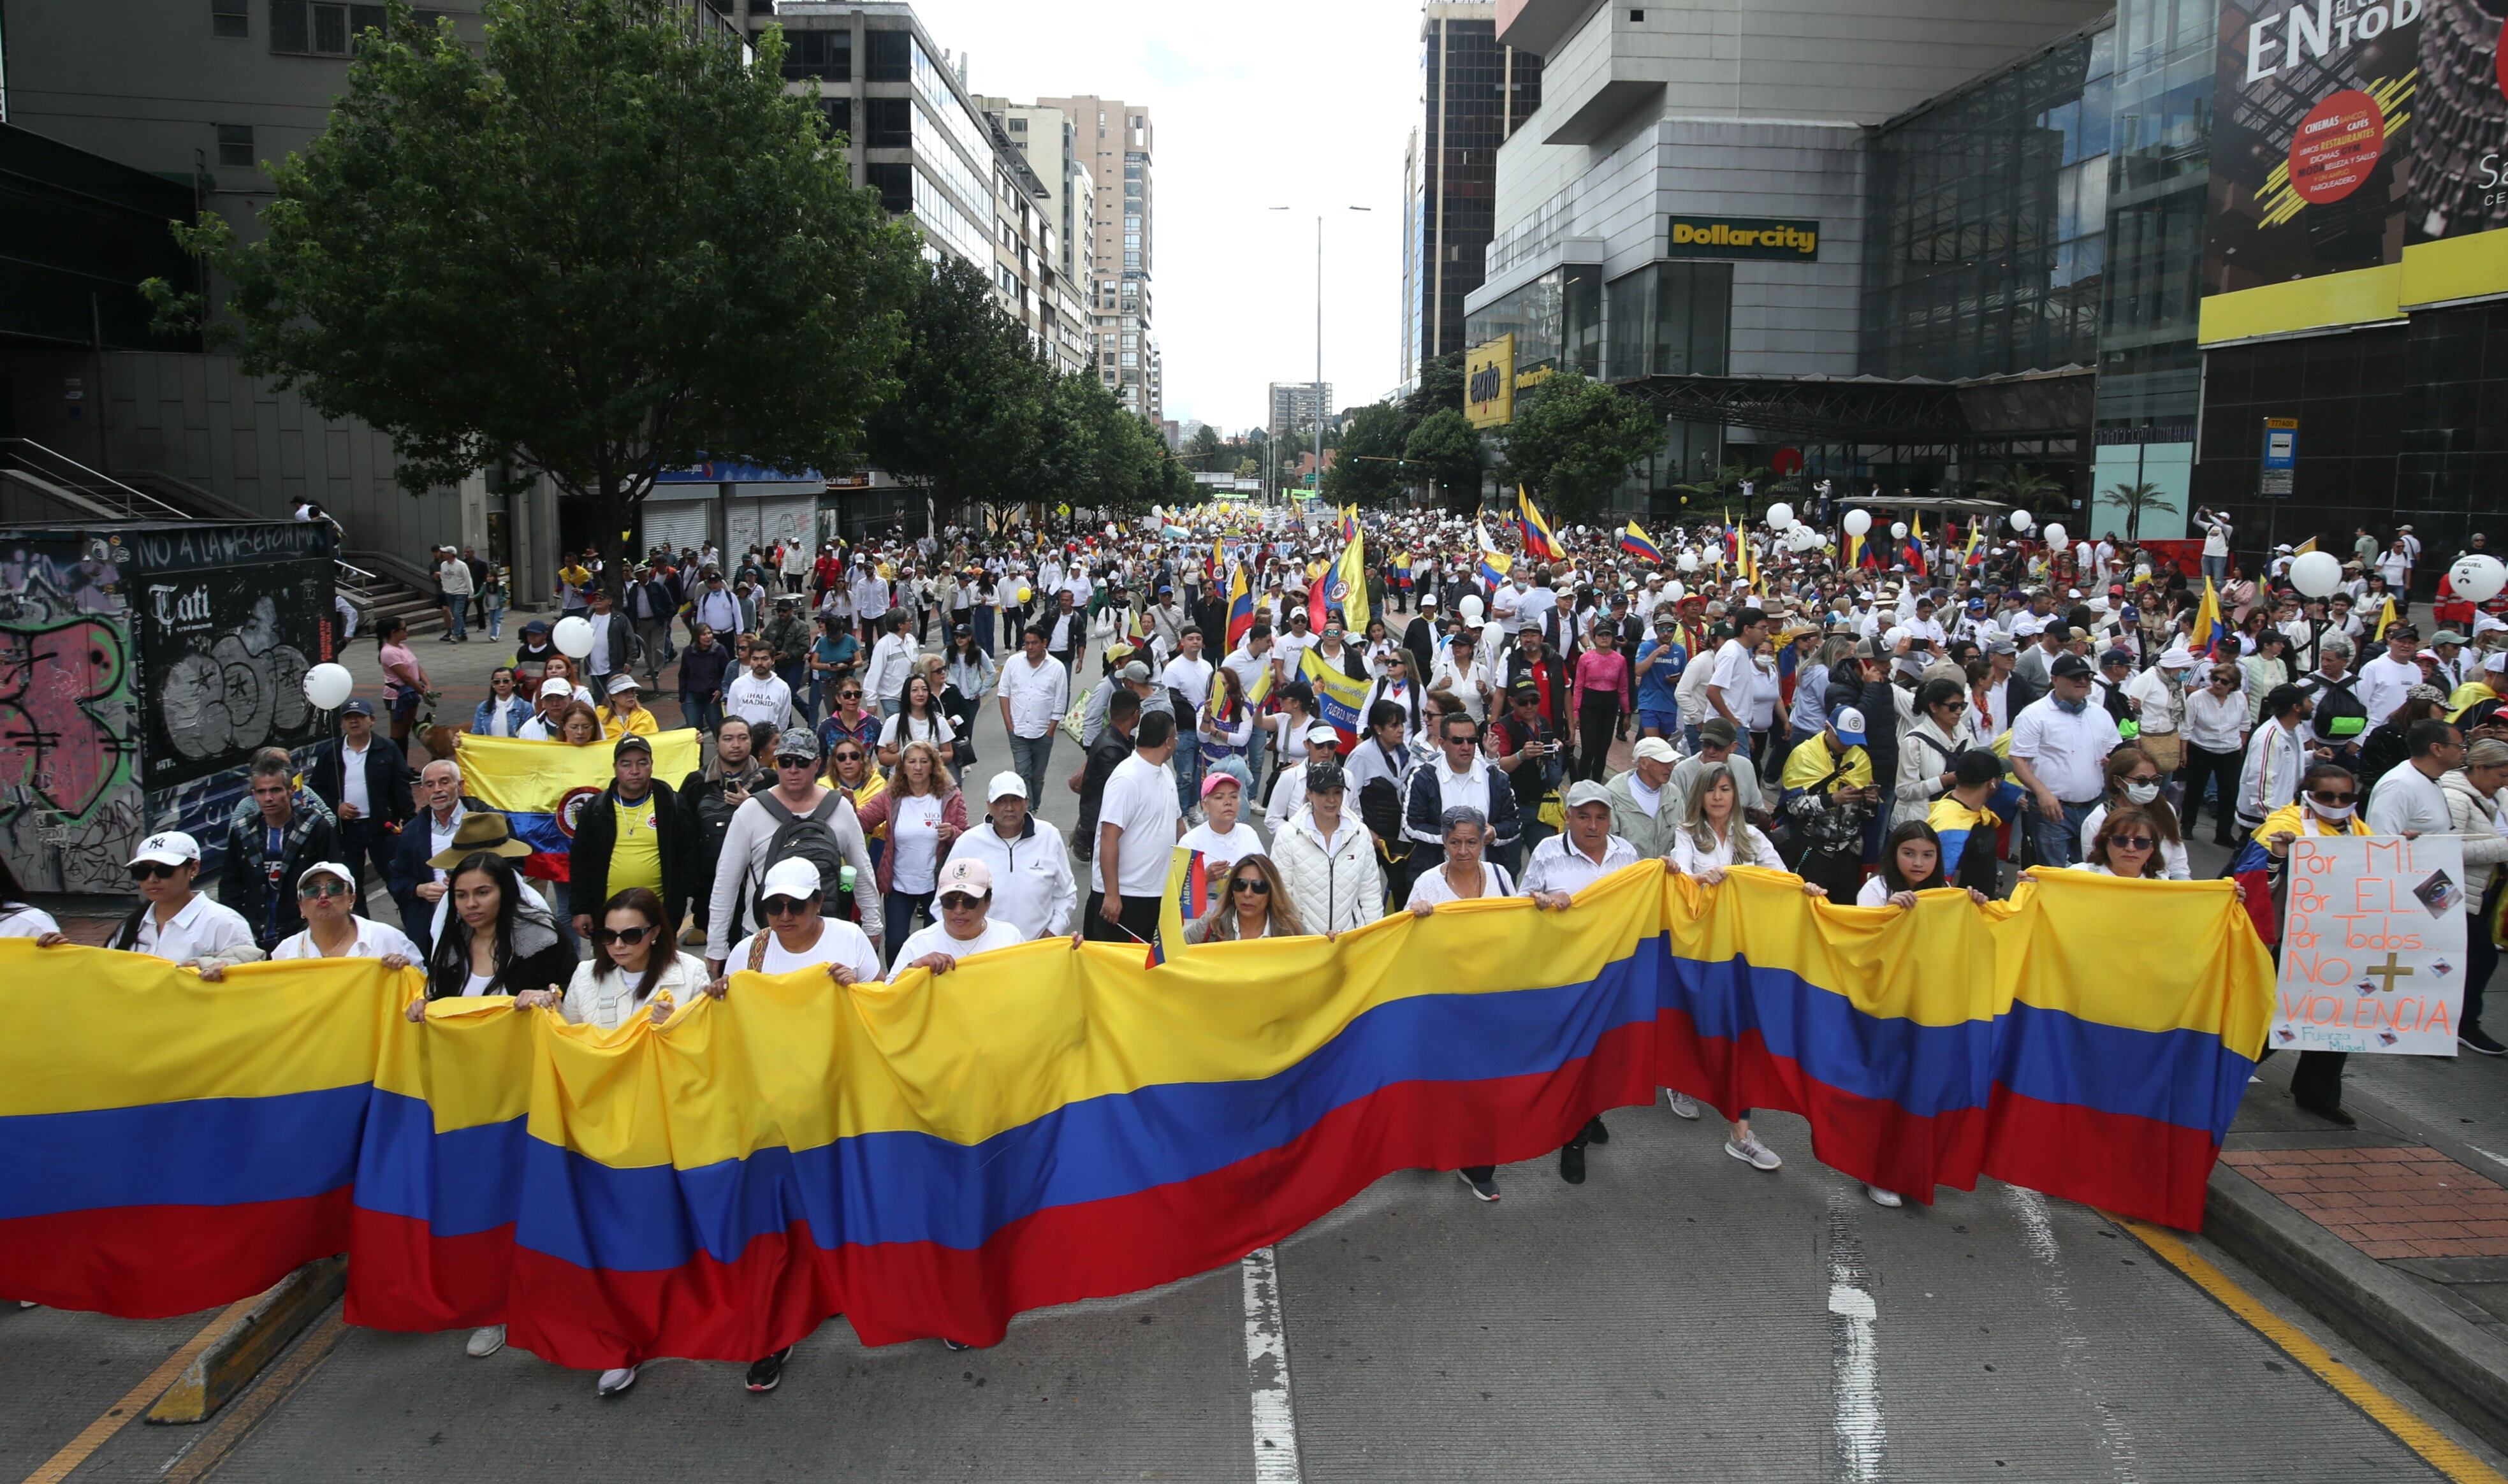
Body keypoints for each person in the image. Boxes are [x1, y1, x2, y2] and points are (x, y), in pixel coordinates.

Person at [696, 855, 884, 1395]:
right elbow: (728, 1022)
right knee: (778, 1223)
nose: (783, 916)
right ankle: (779, 1329)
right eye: (773, 906)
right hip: (769, 1113)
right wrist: (716, 1000)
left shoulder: (850, 941)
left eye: (795, 906)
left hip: (835, 1105)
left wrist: (859, 990)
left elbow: (884, 1008)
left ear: (819, 902)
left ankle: (835, 1292)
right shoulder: (748, 951)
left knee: (831, 1206)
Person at [1667, 762, 1816, 1173]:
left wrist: (1807, 890)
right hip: (1701, 947)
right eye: (1712, 789)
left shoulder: (1752, 836)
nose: (1718, 796)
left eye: (1726, 789)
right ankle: (1682, 1080)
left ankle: (1741, 1134)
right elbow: (1679, 875)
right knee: (1697, 1017)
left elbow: (1782, 879)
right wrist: (1700, 878)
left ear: (1735, 795)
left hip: (1745, 951)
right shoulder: (1685, 834)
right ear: (1699, 795)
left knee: (1740, 1032)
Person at [1518, 780, 1648, 1186]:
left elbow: (1646, 901)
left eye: (1601, 816)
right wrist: (1542, 903)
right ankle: (1573, 1138)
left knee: (1604, 1050)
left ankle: (1591, 1112)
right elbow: (1523, 903)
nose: (1593, 825)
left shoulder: (1627, 854)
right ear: (1567, 818)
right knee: (1574, 1052)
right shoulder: (1546, 852)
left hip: (1613, 972)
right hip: (1567, 974)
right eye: (1584, 816)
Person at [2251, 761, 2378, 1117]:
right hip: (2293, 941)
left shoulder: (2360, 829)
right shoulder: (2281, 827)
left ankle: (2318, 1093)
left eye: (2346, 797)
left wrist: (2405, 852)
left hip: (2343, 943)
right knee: (2273, 1015)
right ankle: (2223, 1071)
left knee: (2338, 1017)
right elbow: (2254, 882)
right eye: (2328, 796)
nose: (2338, 804)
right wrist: (2279, 855)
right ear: (2307, 794)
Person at [702, 729, 883, 971]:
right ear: (776, 764)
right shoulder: (750, 811)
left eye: (802, 762)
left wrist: (872, 927)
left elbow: (862, 871)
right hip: (763, 935)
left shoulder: (840, 808)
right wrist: (716, 946)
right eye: (786, 762)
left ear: (817, 764)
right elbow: (726, 881)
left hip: (828, 935)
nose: (793, 769)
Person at [853, 740, 968, 963]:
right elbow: (862, 823)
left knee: (935, 942)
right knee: (896, 942)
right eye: (912, 761)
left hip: (937, 885)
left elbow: (968, 837)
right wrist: (847, 806)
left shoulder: (950, 796)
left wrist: (953, 832)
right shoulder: (890, 797)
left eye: (924, 762)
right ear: (902, 766)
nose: (917, 767)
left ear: (933, 766)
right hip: (899, 884)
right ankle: (900, 983)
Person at [2008, 653, 2122, 869]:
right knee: (2054, 871)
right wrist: (2043, 794)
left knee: (2092, 867)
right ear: (2055, 680)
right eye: (2074, 677)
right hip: (2052, 810)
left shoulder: (2100, 714)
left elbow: (2113, 753)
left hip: (2094, 806)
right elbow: (2018, 760)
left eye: (2086, 677)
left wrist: (2113, 762)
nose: (2082, 681)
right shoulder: (2034, 714)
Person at [567, 733, 685, 940]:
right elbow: (580, 861)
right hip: (607, 919)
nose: (635, 771)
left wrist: (676, 909)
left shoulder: (673, 804)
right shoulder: (595, 809)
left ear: (652, 764)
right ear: (615, 767)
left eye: (642, 763)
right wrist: (580, 908)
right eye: (626, 764)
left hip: (658, 919)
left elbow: (687, 859)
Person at [226, 750, 343, 954]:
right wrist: (238, 929)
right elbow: (230, 887)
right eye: (261, 792)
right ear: (254, 795)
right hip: (253, 937)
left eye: (276, 790)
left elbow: (336, 880)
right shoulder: (242, 832)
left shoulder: (316, 828)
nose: (269, 798)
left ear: (291, 791)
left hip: (303, 935)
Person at [940, 771, 1077, 941]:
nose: (1009, 808)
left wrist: (1053, 931)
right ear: (989, 805)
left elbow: (1067, 893)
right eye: (1001, 801)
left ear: (1027, 802)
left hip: (1038, 947)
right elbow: (943, 901)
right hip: (984, 951)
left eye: (1016, 800)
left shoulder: (1049, 835)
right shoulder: (968, 842)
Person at [1088, 709, 1184, 945]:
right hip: (1125, 897)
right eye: (1176, 737)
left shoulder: (1165, 773)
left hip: (1157, 893)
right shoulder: (1126, 779)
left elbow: (1178, 825)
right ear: (1169, 742)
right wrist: (1112, 894)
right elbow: (1109, 838)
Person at [2441, 738, 2508, 1058]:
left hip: (2483, 890)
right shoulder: (2455, 797)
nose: (2505, 782)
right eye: (2502, 775)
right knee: (2482, 956)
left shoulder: (2497, 796)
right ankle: (2463, 1024)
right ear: (2480, 767)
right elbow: (2447, 849)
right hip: (2453, 891)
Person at [307, 697, 411, 903]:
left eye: (359, 717)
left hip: (382, 828)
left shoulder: (387, 749)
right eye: (348, 718)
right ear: (342, 723)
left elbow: (402, 786)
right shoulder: (331, 753)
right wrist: (337, 806)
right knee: (350, 885)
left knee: (397, 879)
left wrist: (409, 820)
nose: (353, 722)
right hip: (347, 831)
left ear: (372, 720)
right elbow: (317, 789)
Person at [108, 831, 260, 966]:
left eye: (164, 870)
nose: (152, 879)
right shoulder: (130, 927)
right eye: (142, 871)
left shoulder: (226, 923)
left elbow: (246, 977)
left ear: (193, 869)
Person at [1403, 708, 1523, 874]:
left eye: (1472, 740)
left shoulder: (1496, 779)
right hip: (1437, 877)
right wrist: (1453, 837)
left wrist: (1494, 833)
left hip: (1485, 878)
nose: (1466, 747)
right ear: (1443, 744)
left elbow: (1514, 824)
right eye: (1458, 741)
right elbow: (1411, 825)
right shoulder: (1423, 778)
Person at [1272, 759, 1382, 937]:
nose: (1331, 800)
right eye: (1323, 793)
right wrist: (1295, 936)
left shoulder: (1360, 834)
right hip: (1304, 944)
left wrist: (1375, 939)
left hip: (1350, 942)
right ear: (1309, 793)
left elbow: (1370, 895)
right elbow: (1280, 896)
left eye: (1337, 792)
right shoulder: (1287, 834)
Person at [678, 715, 764, 942]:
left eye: (742, 738)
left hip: (759, 886)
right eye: (728, 739)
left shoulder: (771, 782)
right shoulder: (696, 783)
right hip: (712, 888)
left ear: (751, 741)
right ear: (716, 743)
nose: (735, 745)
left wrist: (753, 806)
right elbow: (684, 838)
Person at [1778, 706, 1878, 901]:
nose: (1847, 747)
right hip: (1812, 848)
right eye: (1843, 740)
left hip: (1848, 852)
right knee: (1808, 906)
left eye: (1853, 742)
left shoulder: (1861, 758)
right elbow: (1792, 806)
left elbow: (1868, 816)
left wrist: (1870, 803)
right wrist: (1832, 800)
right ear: (1827, 728)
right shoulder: (1804, 755)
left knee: (1844, 909)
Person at [263, 861, 421, 965]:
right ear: (301, 908)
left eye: (335, 888)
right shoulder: (285, 953)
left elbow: (421, 993)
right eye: (312, 891)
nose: (323, 895)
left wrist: (405, 970)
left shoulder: (388, 939)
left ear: (351, 900)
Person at [894, 857, 1028, 971]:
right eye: (949, 901)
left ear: (988, 902)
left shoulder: (1010, 937)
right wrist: (914, 967)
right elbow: (891, 996)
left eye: (970, 902)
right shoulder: (919, 944)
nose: (959, 910)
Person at [2078, 746, 2190, 880]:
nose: (2150, 786)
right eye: (2142, 781)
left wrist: (2182, 885)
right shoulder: (2098, 820)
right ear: (2118, 782)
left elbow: (2178, 863)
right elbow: (2094, 867)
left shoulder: (2166, 810)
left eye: (2155, 780)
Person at [998, 626, 1070, 810]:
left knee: (1037, 776)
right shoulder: (1013, 663)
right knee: (1023, 774)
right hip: (1018, 731)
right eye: (1027, 643)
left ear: (1044, 643)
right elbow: (1004, 693)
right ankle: (1027, 812)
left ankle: (1034, 806)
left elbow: (1060, 702)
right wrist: (1009, 725)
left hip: (1043, 732)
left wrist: (1050, 730)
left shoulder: (1057, 668)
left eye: (1034, 643)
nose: (1030, 647)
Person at [2181, 660, 2250, 846]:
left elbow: (2245, 723)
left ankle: (2224, 833)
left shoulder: (2240, 699)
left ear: (2233, 686)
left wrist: (2242, 744)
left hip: (2230, 751)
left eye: (2224, 682)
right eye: (2215, 679)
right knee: (2195, 789)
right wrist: (2184, 752)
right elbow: (2186, 727)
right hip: (2201, 747)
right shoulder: (2197, 698)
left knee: (2229, 792)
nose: (2218, 683)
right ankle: (2187, 824)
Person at [2365, 718, 2461, 840]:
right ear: (2437, 749)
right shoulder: (2399, 785)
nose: (2464, 751)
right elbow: (2381, 841)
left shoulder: (2430, 779)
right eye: (2459, 746)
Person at [1183, 852, 1302, 943]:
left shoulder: (1292, 930)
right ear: (1231, 889)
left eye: (1259, 886)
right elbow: (1174, 957)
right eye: (1240, 884)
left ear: (1272, 892)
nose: (1247, 894)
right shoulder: (1211, 924)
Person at [1177, 766, 1265, 883]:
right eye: (1219, 797)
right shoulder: (1190, 842)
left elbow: (1267, 875)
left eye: (1234, 796)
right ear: (1205, 805)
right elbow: (1177, 891)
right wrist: (1204, 878)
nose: (1228, 802)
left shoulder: (1249, 833)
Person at [1568, 624, 1632, 783]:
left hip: (1609, 708)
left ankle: (1597, 784)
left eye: (1608, 635)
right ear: (1595, 638)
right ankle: (1581, 784)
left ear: (1612, 638)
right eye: (1601, 635)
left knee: (1602, 751)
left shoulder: (1620, 660)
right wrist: (1575, 712)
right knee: (1588, 750)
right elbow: (1578, 686)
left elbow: (1623, 689)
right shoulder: (1586, 658)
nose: (1604, 638)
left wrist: (1627, 714)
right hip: (1589, 707)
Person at [1602, 735, 1680, 859]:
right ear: (1643, 763)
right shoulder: (1614, 794)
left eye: (1672, 762)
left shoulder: (1674, 794)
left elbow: (1683, 838)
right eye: (1664, 762)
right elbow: (1607, 845)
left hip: (1666, 874)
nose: (1670, 767)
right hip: (1630, 875)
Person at [877, 671, 958, 770]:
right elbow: (882, 757)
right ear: (907, 694)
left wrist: (934, 756)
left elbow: (949, 754)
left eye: (924, 690)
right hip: (901, 781)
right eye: (914, 690)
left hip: (933, 780)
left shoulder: (939, 720)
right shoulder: (893, 721)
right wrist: (906, 757)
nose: (921, 694)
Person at [2064, 804, 2167, 878]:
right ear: (2105, 843)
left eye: (2141, 842)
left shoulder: (2162, 886)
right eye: (2120, 840)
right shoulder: (2078, 875)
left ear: (2153, 848)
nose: (2130, 848)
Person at [377, 616, 428, 748]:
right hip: (398, 695)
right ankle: (397, 765)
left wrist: (428, 685)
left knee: (405, 731)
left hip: (410, 692)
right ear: (394, 632)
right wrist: (423, 692)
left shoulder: (403, 647)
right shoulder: (388, 652)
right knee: (398, 732)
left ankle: (404, 765)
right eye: (404, 629)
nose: (407, 631)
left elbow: (416, 666)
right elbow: (406, 677)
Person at [725, 642, 795, 733]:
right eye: (755, 659)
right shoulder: (738, 685)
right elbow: (732, 717)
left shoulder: (783, 688)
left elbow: (783, 722)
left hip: (768, 743)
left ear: (773, 660)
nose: (760, 663)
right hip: (743, 741)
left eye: (765, 659)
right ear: (750, 660)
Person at [474, 667, 533, 738]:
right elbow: (476, 734)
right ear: (493, 684)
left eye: (506, 681)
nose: (501, 685)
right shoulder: (483, 707)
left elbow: (530, 735)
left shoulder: (526, 707)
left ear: (514, 682)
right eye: (497, 682)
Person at [595, 674, 659, 739]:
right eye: (625, 692)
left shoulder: (644, 715)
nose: (630, 695)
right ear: (612, 697)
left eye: (632, 691)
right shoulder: (600, 716)